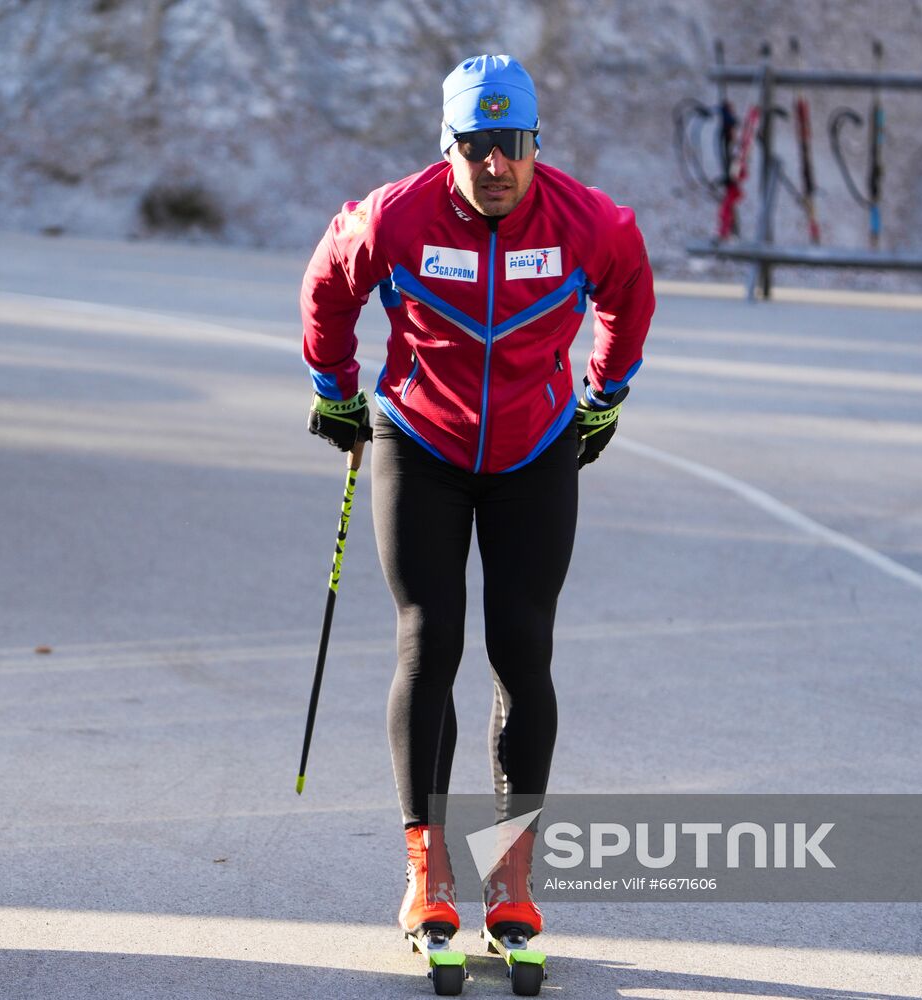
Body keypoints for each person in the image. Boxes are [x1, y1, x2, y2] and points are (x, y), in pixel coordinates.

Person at [300, 54, 655, 943]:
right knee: (429, 641)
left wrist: (604, 394)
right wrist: (334, 386)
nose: (496, 164)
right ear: (447, 144)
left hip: (534, 449)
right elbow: (328, 288)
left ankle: (511, 874)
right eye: (476, 145)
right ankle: (427, 868)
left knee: (522, 651)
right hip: (421, 443)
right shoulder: (393, 216)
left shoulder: (592, 223)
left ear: (537, 142)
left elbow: (629, 299)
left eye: (514, 143)